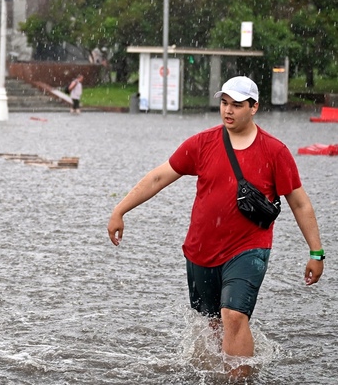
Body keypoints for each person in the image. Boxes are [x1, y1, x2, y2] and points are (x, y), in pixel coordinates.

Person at [107, 75, 324, 377]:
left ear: (254, 107)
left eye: (237, 104)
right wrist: (120, 210)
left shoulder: (275, 151)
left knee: (233, 314)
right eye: (224, 103)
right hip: (201, 250)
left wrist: (316, 252)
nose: (228, 110)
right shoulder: (202, 143)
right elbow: (159, 177)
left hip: (249, 249)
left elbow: (300, 203)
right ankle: (217, 376)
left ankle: (239, 380)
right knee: (211, 324)